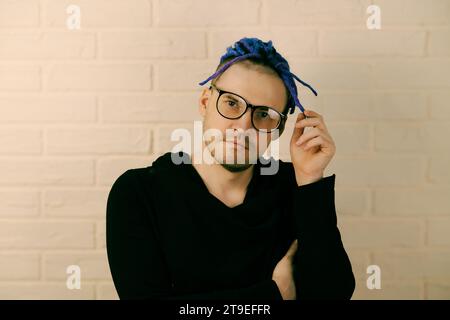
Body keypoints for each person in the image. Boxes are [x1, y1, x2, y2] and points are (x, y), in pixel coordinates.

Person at [106, 37, 355, 300]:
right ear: (205, 102)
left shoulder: (293, 188)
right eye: (232, 103)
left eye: (263, 115)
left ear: (277, 130)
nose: (243, 128)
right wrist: (274, 293)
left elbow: (332, 294)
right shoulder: (139, 193)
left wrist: (310, 179)